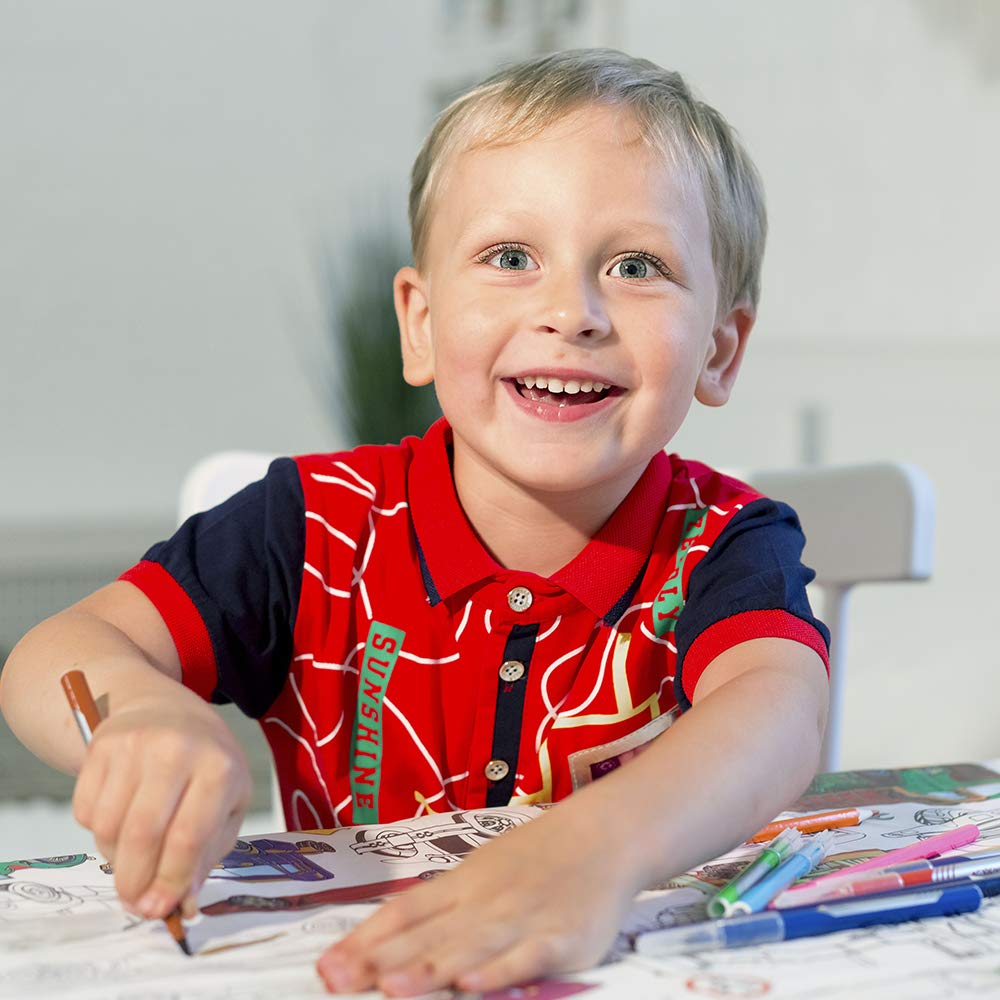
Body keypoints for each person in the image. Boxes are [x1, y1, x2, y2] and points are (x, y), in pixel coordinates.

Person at [0, 48, 830, 996]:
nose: (572, 312)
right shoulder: (309, 525)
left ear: (720, 350)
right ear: (421, 323)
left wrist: (597, 850)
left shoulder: (726, 540)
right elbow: (57, 652)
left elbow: (779, 709)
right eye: (510, 258)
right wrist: (140, 713)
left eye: (636, 265)